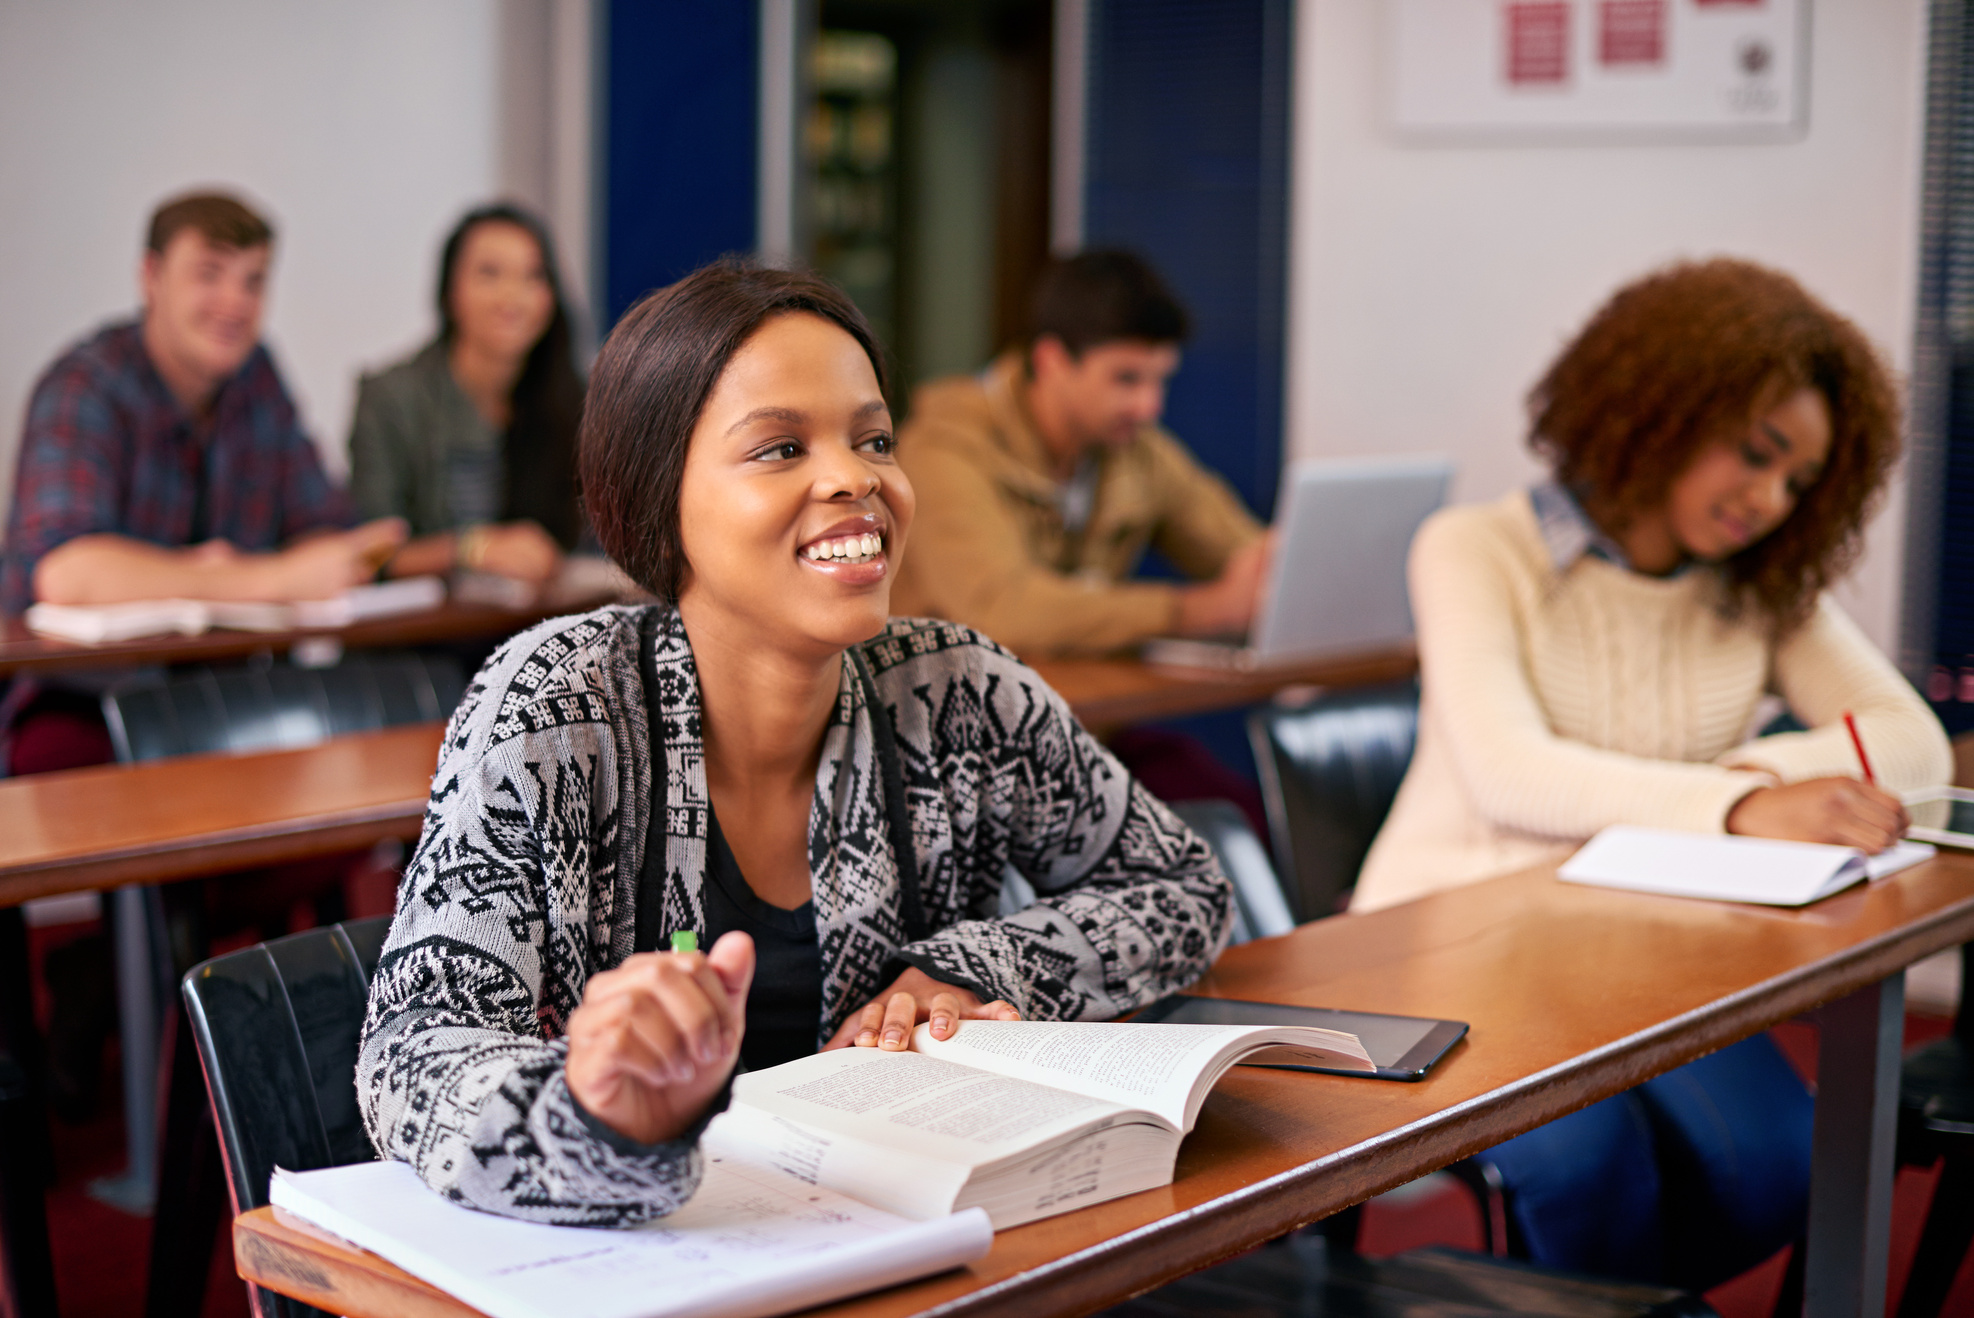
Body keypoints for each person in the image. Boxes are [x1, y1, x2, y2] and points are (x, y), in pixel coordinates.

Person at [356, 259, 1233, 1225]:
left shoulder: (956, 689)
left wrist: (976, 968)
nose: (855, 477)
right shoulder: (556, 709)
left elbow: (1183, 888)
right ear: (661, 497)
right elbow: (413, 1053)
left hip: (907, 1253)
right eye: (779, 449)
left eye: (874, 439)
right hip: (651, 1263)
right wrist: (597, 1116)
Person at [1355, 259, 1952, 1288]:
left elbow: (1914, 742)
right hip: (1456, 947)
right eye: (1756, 453)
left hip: (1637, 953)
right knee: (1593, 1175)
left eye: (1799, 480)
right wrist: (1747, 805)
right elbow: (1513, 775)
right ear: (1657, 406)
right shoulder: (1475, 549)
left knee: (1780, 1168)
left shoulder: (1758, 587)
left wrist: (1751, 772)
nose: (1768, 500)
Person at [0, 190, 405, 776]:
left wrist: (332, 558)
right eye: (209, 273)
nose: (234, 303)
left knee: (355, 763)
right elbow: (67, 572)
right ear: (151, 277)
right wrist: (264, 578)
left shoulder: (256, 378)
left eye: (253, 281)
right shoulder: (84, 385)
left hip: (223, 694)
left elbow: (328, 530)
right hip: (83, 701)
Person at [889, 250, 1271, 657]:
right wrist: (1199, 611)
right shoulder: (944, 449)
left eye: (1160, 380)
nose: (1149, 407)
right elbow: (1001, 609)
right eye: (1126, 379)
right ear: (1052, 360)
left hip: (1073, 708)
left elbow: (1245, 553)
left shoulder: (1137, 450)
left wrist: (1273, 567)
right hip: (939, 710)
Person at [349, 203, 586, 585]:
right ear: (450, 290)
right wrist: (473, 549)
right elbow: (369, 551)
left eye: (534, 276)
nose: (513, 296)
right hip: (424, 638)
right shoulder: (392, 398)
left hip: (539, 631)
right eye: (489, 274)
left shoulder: (575, 398)